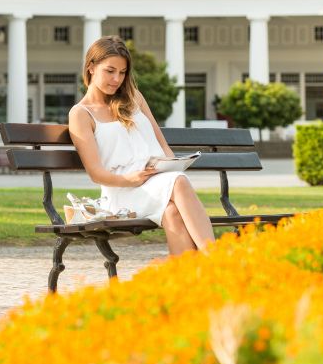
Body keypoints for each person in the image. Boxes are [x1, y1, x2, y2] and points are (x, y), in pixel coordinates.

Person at [69, 35, 215, 256]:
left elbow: (161, 144)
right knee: (179, 182)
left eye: (122, 72)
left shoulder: (135, 98)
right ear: (91, 67)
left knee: (173, 212)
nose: (117, 78)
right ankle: (216, 260)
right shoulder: (81, 113)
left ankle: (186, 284)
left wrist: (170, 163)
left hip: (156, 180)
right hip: (122, 192)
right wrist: (128, 179)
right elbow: (96, 173)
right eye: (110, 71)